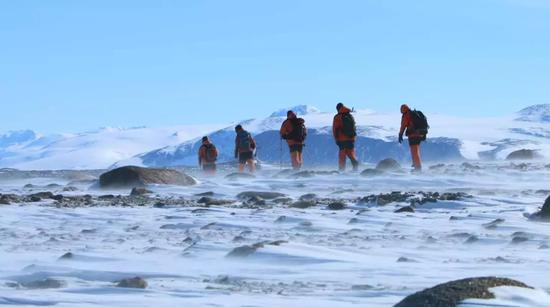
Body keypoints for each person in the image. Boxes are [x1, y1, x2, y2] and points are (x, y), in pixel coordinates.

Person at [398, 104, 428, 172]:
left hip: (413, 135)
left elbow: (403, 126)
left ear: (403, 109)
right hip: (420, 134)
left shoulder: (406, 115)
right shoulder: (415, 113)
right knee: (416, 151)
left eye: (401, 109)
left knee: (414, 152)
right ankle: (416, 164)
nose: (400, 111)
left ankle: (418, 168)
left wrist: (400, 135)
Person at [333, 103, 359, 171]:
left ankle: (341, 170)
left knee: (342, 155)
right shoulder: (349, 115)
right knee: (350, 153)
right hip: (351, 138)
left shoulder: (337, 117)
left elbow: (335, 129)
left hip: (342, 139)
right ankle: (355, 164)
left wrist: (336, 139)